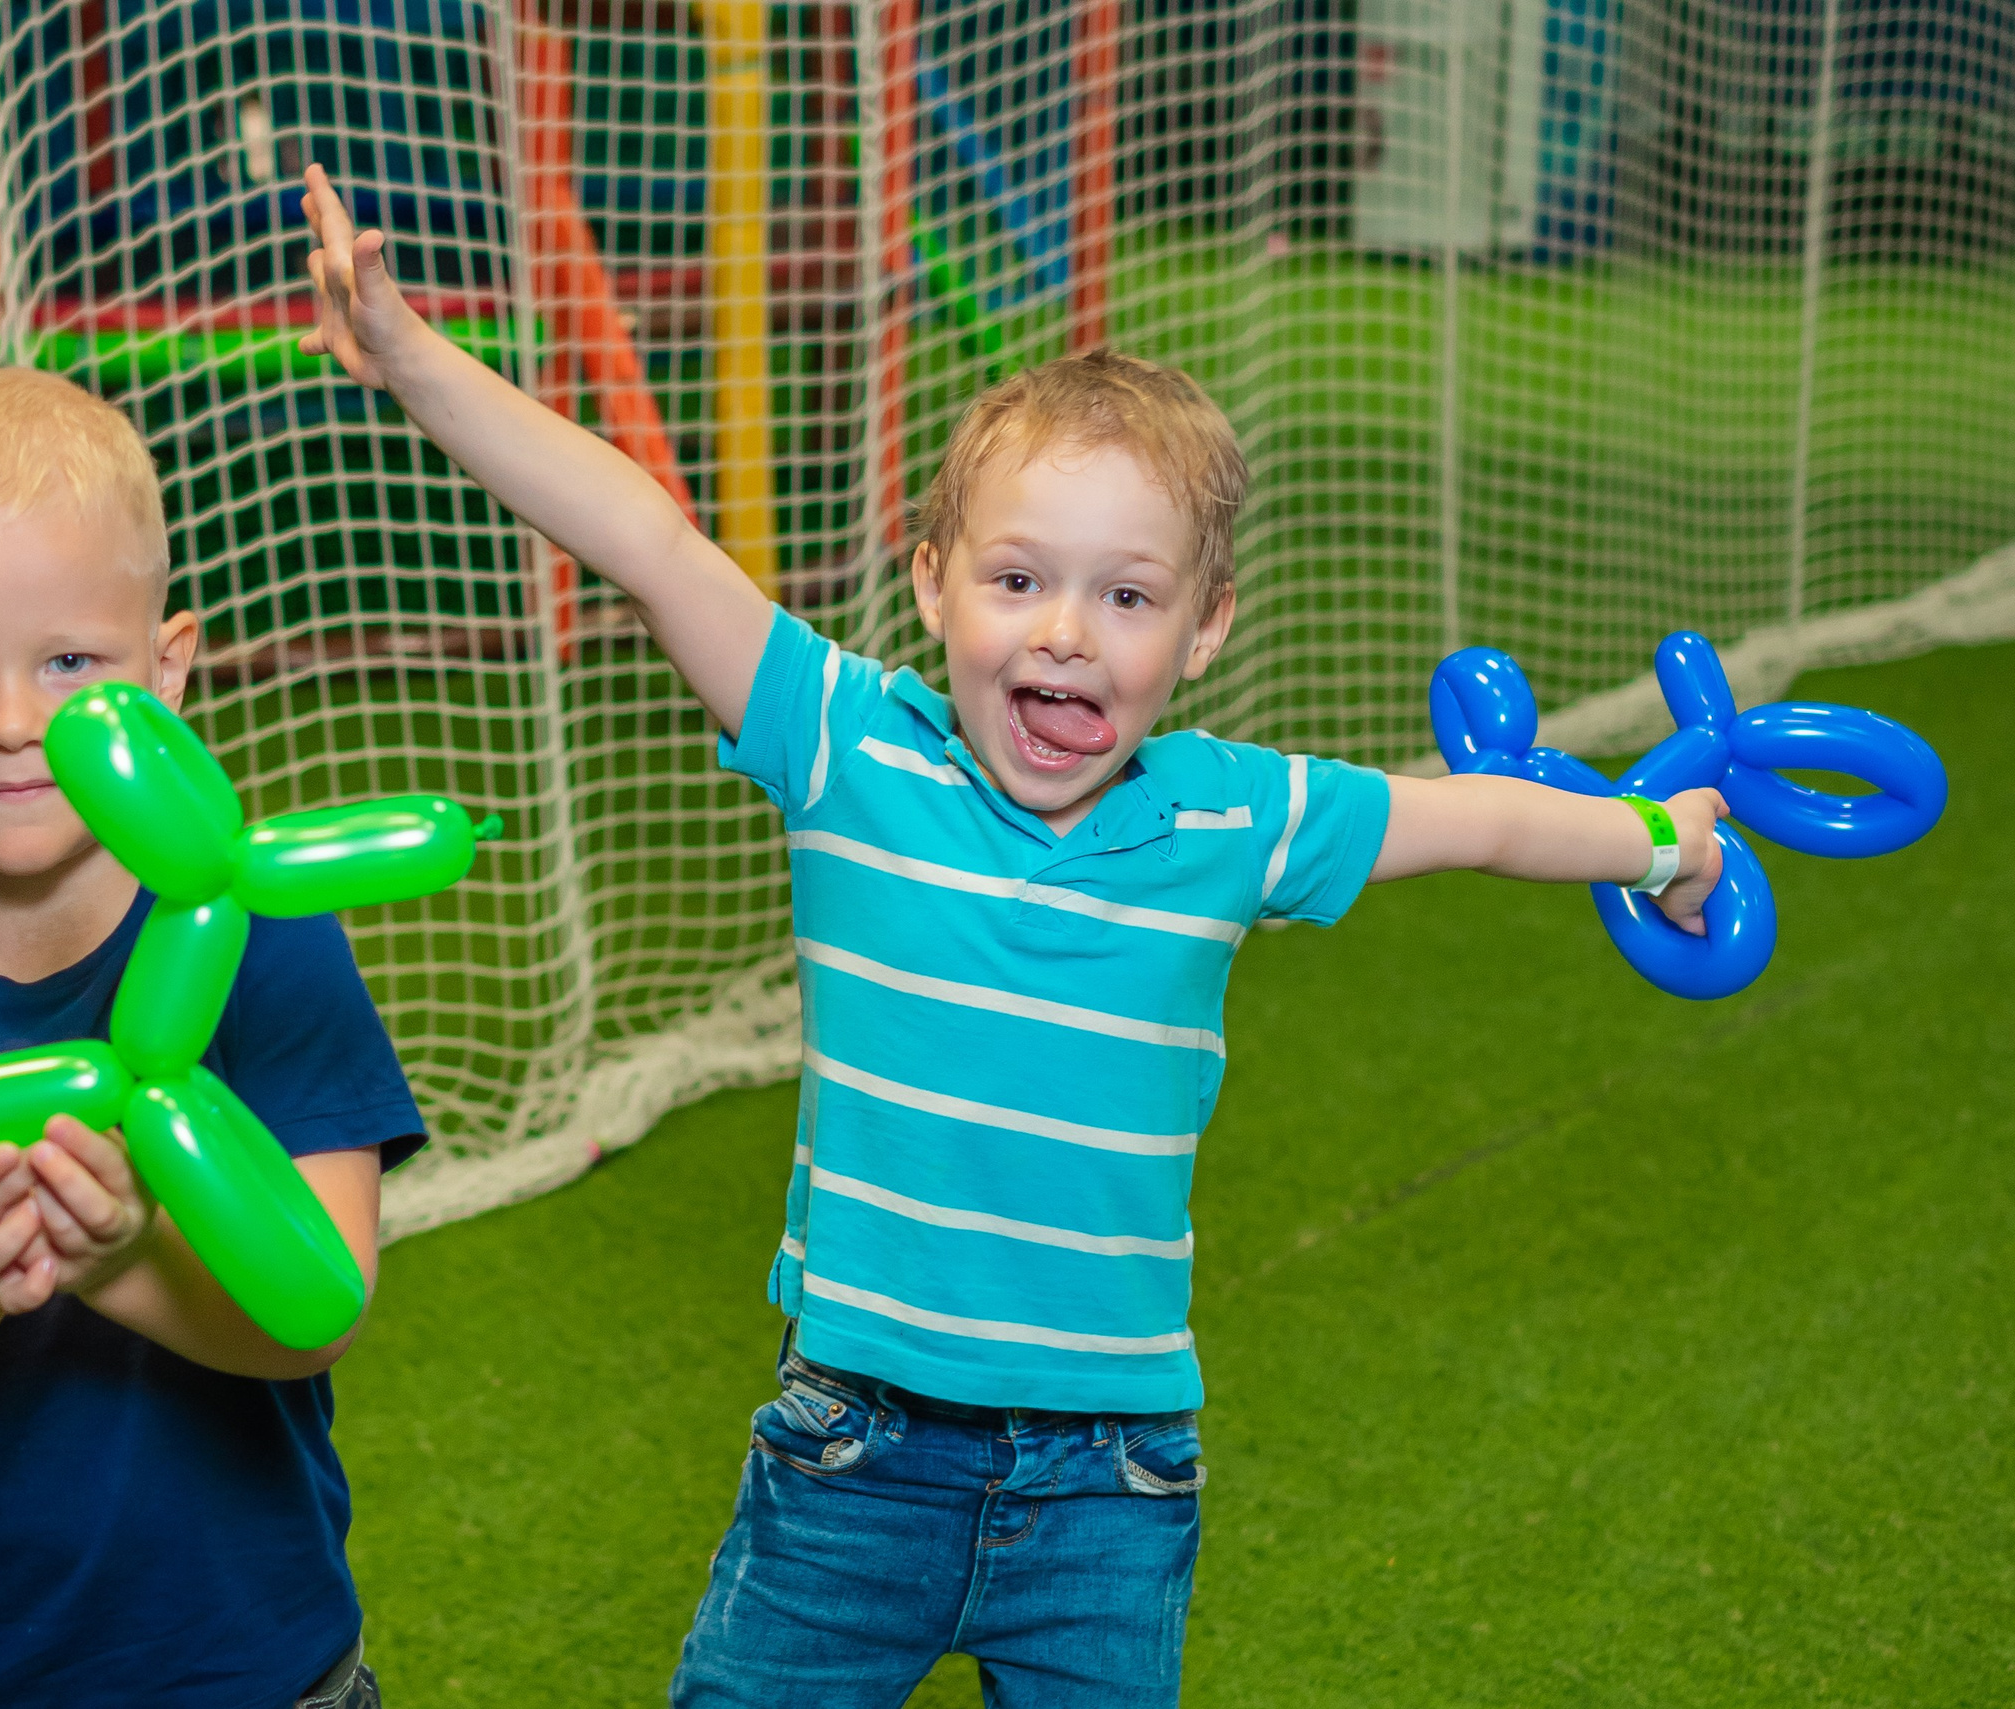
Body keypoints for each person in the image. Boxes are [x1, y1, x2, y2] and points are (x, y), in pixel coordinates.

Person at [296, 166, 1729, 1708]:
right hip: (852, 1456)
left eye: (1126, 595)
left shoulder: (1236, 817)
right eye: (1019, 578)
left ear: (1205, 628)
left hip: (1113, 1482)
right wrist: (416, 356)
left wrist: (1659, 841)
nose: (1064, 632)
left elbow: (1478, 816)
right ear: (933, 582)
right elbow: (645, 538)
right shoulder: (849, 748)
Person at [0, 367, 414, 1709]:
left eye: (69, 662)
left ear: (167, 667)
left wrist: (124, 1252)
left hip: (251, 1666)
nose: (8, 722)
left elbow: (316, 1306)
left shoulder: (264, 939)